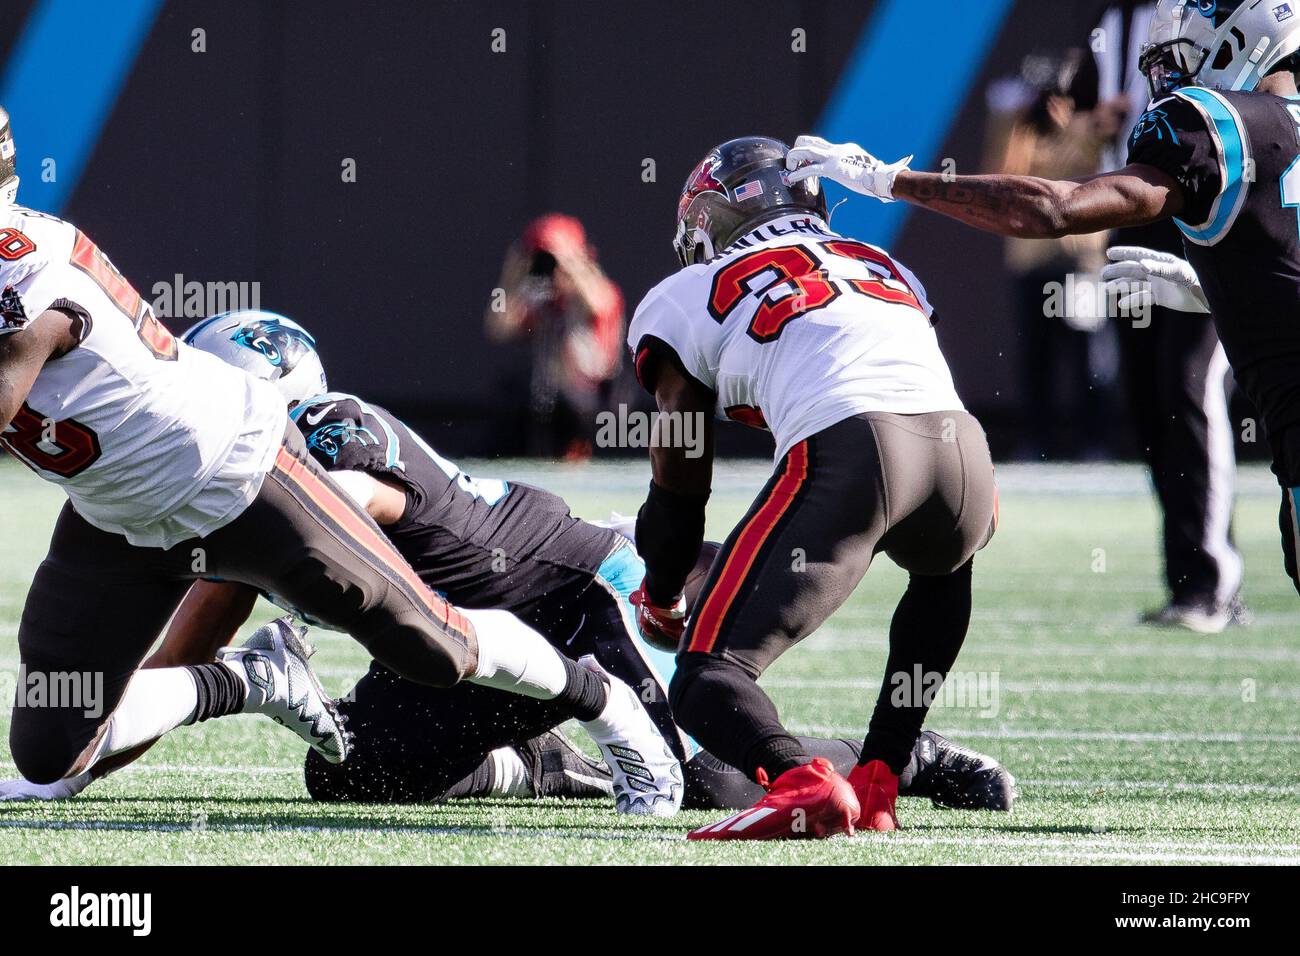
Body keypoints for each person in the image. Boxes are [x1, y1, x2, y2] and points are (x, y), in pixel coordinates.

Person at [0, 311, 1015, 817]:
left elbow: (341, 516)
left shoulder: (333, 442)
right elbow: (177, 660)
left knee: (710, 782)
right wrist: (80, 748)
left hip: (568, 598)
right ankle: (543, 761)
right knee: (350, 772)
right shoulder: (244, 489)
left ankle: (908, 758)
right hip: (469, 636)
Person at [0, 105, 674, 812]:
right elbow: (160, 677)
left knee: (432, 646)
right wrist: (66, 780)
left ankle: (605, 704)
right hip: (117, 511)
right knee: (49, 744)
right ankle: (255, 681)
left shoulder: (27, 265)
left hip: (232, 468)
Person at [785, 2, 1300, 623]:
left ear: (1243, 39)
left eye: (1188, 47)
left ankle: (1208, 583)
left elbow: (1054, 209)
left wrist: (891, 181)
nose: (1173, 68)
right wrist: (1231, 289)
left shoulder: (1216, 124)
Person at [629, 137, 998, 840]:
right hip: (966, 458)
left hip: (857, 447)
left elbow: (681, 473)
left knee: (707, 678)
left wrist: (665, 586)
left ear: (711, 213)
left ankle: (800, 780)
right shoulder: (884, 263)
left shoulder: (684, 293)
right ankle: (880, 778)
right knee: (940, 575)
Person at [1081, 0, 1245, 632]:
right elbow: (1079, 120)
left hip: (1209, 210)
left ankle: (1213, 581)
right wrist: (1092, 124)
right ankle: (1185, 580)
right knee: (1150, 400)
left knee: (1190, 385)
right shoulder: (1113, 21)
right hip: (1132, 210)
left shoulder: (1222, 10)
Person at [485, 214, 624, 460]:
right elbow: (498, 328)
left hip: (598, 402)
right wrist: (513, 275)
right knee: (516, 395)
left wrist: (572, 264)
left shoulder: (600, 291)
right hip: (551, 403)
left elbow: (597, 304)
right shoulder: (542, 299)